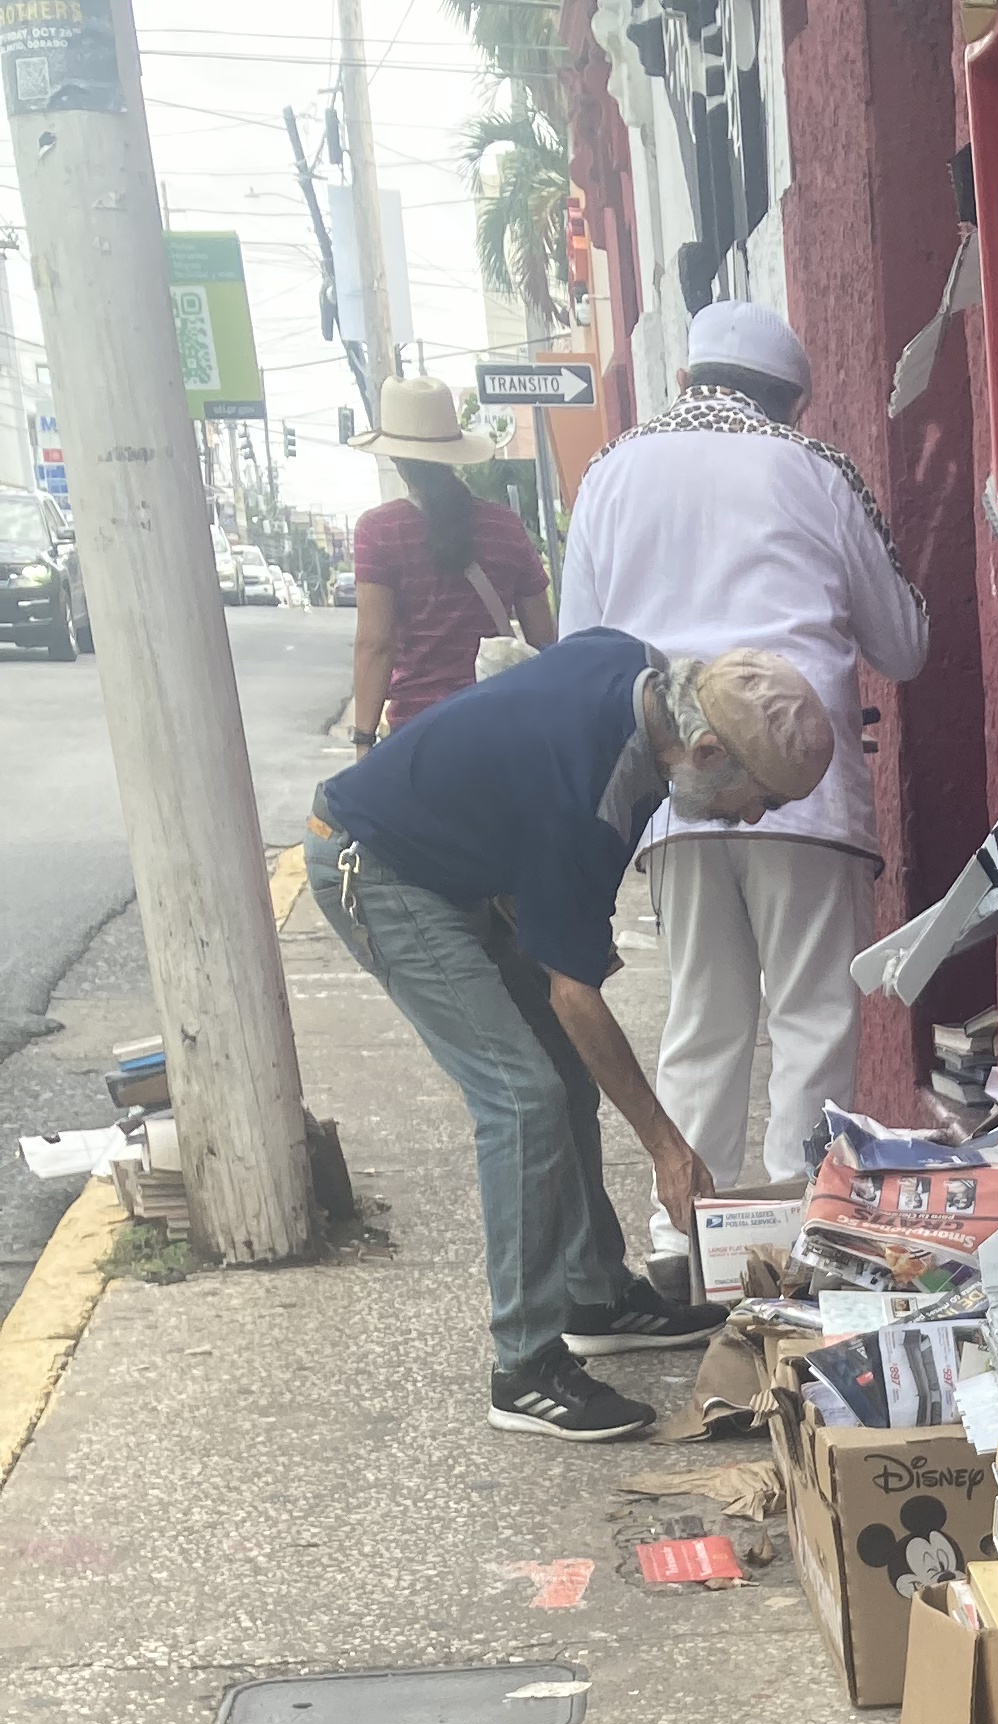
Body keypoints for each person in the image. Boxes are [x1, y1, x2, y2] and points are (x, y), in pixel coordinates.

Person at [307, 636, 834, 1443]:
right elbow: (574, 995)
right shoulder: (592, 797)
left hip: (458, 865)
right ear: (704, 750)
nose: (753, 817)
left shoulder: (634, 665)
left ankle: (594, 1297)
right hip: (380, 868)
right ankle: (523, 1368)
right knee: (523, 1099)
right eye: (757, 797)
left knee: (567, 1076)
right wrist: (667, 1148)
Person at [557, 299, 929, 1213]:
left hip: (671, 787)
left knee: (703, 1020)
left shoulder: (609, 471)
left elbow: (578, 651)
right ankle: (805, 1234)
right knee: (812, 1018)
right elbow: (906, 645)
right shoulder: (816, 468)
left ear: (685, 381)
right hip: (806, 790)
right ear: (794, 403)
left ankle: (684, 1237)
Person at [348, 376, 553, 741]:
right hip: (501, 729)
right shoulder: (504, 526)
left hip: (420, 734)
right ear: (453, 455)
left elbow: (376, 646)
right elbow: (543, 641)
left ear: (396, 458)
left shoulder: (378, 531)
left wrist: (363, 739)